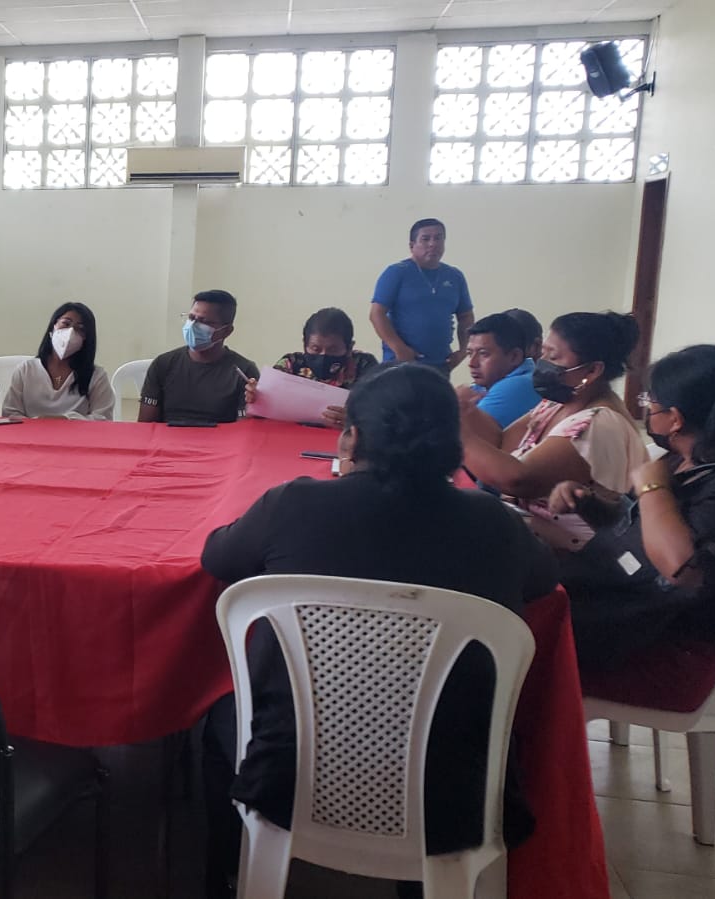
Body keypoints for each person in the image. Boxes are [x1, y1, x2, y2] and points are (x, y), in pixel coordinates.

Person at [199, 364, 556, 899]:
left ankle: (229, 875)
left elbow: (218, 557)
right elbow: (544, 581)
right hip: (454, 788)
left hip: (290, 773)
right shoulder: (494, 524)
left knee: (216, 716)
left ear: (352, 437)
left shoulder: (294, 504)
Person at [548, 345, 715, 681]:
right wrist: (589, 505)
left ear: (675, 419)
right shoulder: (685, 458)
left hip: (670, 643)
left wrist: (652, 487)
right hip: (625, 609)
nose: (646, 408)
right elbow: (642, 532)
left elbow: (682, 568)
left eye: (650, 401)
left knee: (520, 636)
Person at [460, 311, 648, 551]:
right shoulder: (558, 402)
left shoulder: (598, 423)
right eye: (544, 353)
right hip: (536, 539)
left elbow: (518, 480)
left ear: (592, 371)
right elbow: (503, 443)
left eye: (554, 356)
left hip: (582, 557)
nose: (542, 362)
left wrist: (458, 430)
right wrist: (465, 411)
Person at [244, 307, 378, 428]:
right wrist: (256, 398)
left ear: (349, 348)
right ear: (305, 344)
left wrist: (357, 420)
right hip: (293, 439)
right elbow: (259, 415)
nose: (323, 355)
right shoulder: (291, 364)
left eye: (333, 349)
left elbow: (382, 412)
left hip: (344, 440)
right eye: (315, 348)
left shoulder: (364, 365)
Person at [139, 290, 259, 424]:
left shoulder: (244, 372)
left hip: (220, 437)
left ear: (226, 331)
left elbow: (244, 431)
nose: (193, 326)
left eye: (203, 321)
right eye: (191, 318)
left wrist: (256, 406)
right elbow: (145, 427)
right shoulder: (163, 364)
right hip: (168, 436)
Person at [370, 218, 475, 370]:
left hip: (441, 364)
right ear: (412, 245)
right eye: (425, 239)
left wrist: (464, 351)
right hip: (400, 363)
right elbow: (376, 314)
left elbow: (466, 317)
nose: (433, 244)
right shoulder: (396, 272)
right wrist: (399, 349)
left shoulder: (455, 276)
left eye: (438, 238)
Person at [1, 302, 115, 420]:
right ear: (53, 327)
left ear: (86, 338)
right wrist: (37, 424)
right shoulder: (26, 370)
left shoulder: (96, 376)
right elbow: (10, 412)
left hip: (76, 432)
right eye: (66, 324)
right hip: (30, 431)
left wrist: (66, 420)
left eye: (80, 329)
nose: (70, 332)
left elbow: (103, 418)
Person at [461, 312, 542, 428]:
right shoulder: (487, 383)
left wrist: (456, 404)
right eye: (470, 354)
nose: (472, 363)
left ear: (514, 356)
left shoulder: (518, 384)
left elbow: (455, 434)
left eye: (483, 354)